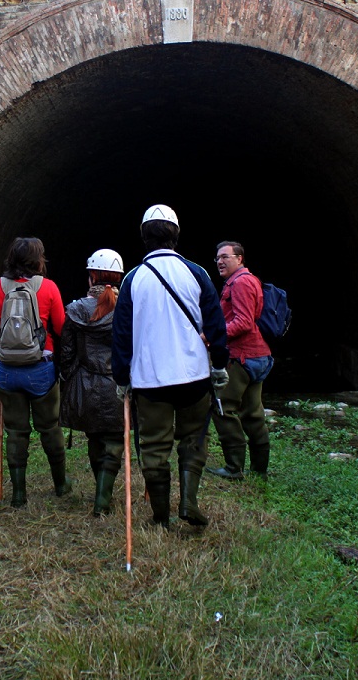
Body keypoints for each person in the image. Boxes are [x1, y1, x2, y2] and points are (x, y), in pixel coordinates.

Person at [111, 206, 229, 528]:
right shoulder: (198, 273)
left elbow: (122, 336)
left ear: (144, 237)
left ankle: (161, 517)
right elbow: (216, 325)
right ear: (176, 236)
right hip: (194, 377)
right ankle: (189, 502)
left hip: (150, 380)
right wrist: (219, 364)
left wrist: (121, 376)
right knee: (194, 437)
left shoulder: (134, 279)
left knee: (154, 445)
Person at [0, 237, 67, 508]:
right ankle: (61, 485)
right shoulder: (48, 288)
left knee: (16, 431)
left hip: (8, 371)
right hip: (40, 367)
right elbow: (62, 328)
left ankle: (18, 494)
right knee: (49, 427)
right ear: (38, 260)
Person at [59, 248, 126, 516]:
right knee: (113, 441)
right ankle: (102, 498)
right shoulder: (127, 309)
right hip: (117, 386)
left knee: (95, 437)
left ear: (91, 278)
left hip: (85, 385)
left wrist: (69, 376)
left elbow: (66, 353)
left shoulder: (76, 310)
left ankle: (101, 494)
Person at [208, 241, 273, 480]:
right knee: (253, 413)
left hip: (242, 357)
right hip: (258, 355)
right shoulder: (248, 280)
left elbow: (244, 322)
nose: (220, 262)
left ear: (240, 259)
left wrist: (213, 335)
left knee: (222, 407)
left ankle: (234, 468)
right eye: (217, 258)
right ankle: (259, 470)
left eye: (225, 257)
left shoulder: (241, 282)